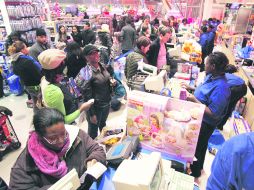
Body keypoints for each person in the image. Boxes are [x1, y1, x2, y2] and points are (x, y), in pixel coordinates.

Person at [9, 108, 106, 189]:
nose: (60, 141)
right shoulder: (24, 166)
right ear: (40, 136)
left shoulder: (76, 135)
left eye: (63, 134)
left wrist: (93, 160)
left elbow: (97, 149)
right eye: (52, 138)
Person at [182, 52, 231, 178]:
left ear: (213, 66)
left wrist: (194, 100)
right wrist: (191, 88)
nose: (205, 65)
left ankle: (194, 173)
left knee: (198, 147)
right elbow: (203, 90)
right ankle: (196, 169)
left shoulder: (221, 88)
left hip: (205, 123)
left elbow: (213, 113)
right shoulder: (212, 76)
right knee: (200, 146)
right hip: (198, 116)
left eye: (207, 63)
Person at [38, 49, 93, 124]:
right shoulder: (54, 92)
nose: (63, 74)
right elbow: (62, 121)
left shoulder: (45, 79)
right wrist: (81, 109)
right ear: (56, 72)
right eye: (62, 70)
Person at [75, 45, 114, 139]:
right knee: (93, 131)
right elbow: (86, 95)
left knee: (103, 125)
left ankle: (105, 143)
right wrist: (92, 114)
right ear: (86, 57)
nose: (96, 55)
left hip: (106, 102)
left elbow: (106, 79)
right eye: (92, 54)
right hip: (95, 107)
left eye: (96, 52)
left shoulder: (102, 66)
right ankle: (92, 150)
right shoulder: (86, 72)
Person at [8, 41, 42, 113]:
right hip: (36, 85)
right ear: (22, 50)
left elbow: (15, 72)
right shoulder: (27, 60)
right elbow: (38, 72)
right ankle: (43, 118)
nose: (27, 49)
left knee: (35, 102)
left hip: (26, 85)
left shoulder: (14, 60)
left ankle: (36, 116)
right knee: (42, 103)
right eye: (26, 47)